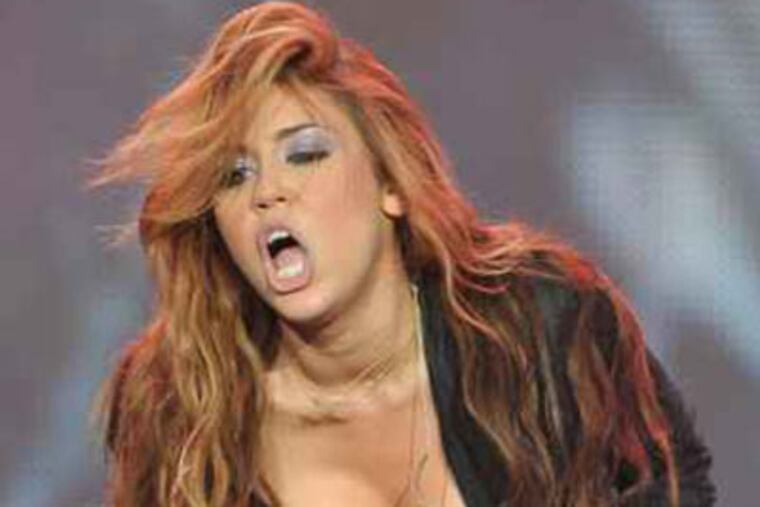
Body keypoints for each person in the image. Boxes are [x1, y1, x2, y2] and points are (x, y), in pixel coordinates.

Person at [92, 2, 715, 506]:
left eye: (305, 154)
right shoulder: (183, 417)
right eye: (234, 175)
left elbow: (673, 483)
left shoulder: (539, 324)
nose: (267, 191)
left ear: (390, 186)